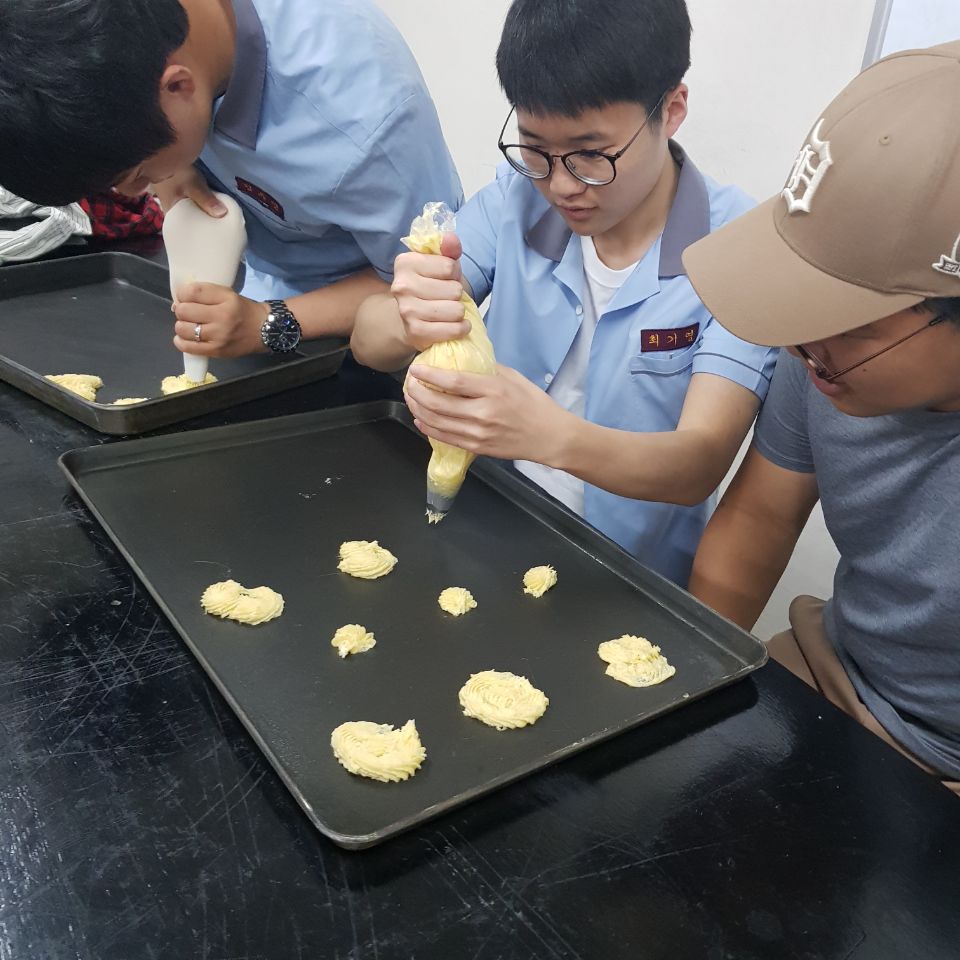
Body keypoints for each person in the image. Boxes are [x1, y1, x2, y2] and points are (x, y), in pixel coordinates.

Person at [350, 0, 777, 587]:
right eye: (535, 149)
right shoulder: (515, 196)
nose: (560, 185)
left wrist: (552, 437)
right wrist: (408, 316)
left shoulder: (737, 250)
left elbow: (698, 462)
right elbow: (369, 342)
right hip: (485, 522)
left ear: (672, 109)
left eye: (591, 155)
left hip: (626, 577)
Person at [683, 41, 960, 794]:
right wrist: (676, 689)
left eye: (853, 324)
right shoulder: (823, 358)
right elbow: (760, 517)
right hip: (835, 673)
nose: (807, 346)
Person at [0, 0, 461, 358]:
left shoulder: (366, 124)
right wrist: (173, 166)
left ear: (178, 87)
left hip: (369, 333)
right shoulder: (142, 46)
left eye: (137, 175)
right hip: (249, 298)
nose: (135, 193)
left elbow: (433, 287)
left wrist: (269, 322)